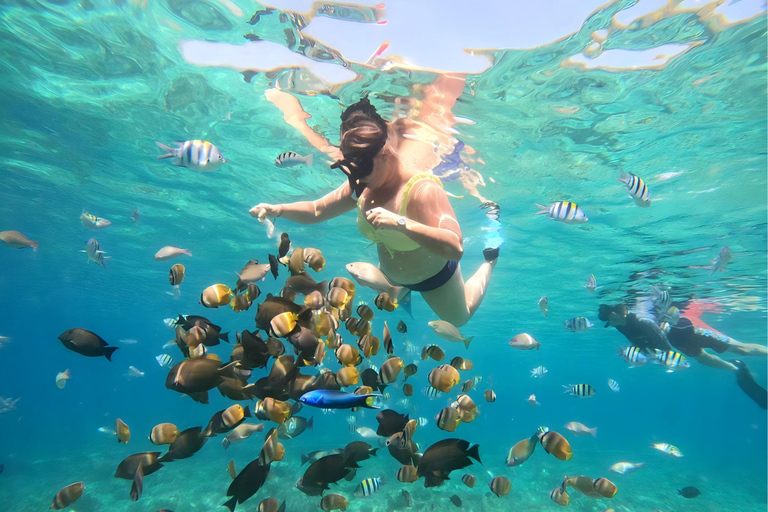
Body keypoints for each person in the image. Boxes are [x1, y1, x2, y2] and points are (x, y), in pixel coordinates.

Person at [251, 90, 498, 327]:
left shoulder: (421, 188)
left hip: (436, 278)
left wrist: (401, 223)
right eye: (352, 169)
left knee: (459, 319)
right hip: (393, 279)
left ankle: (490, 261)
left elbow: (455, 247)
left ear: (385, 153)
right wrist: (280, 209)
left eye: (363, 169)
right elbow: (318, 209)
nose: (358, 179)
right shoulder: (361, 183)